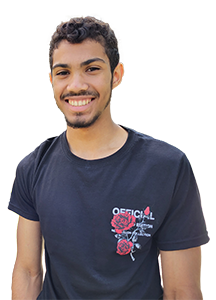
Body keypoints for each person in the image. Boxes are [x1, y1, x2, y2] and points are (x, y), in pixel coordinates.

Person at [8, 17, 209, 300]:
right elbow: (28, 273)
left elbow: (181, 290)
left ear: (116, 75)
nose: (76, 85)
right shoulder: (33, 167)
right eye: (63, 72)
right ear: (52, 80)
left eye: (91, 69)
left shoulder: (167, 167)